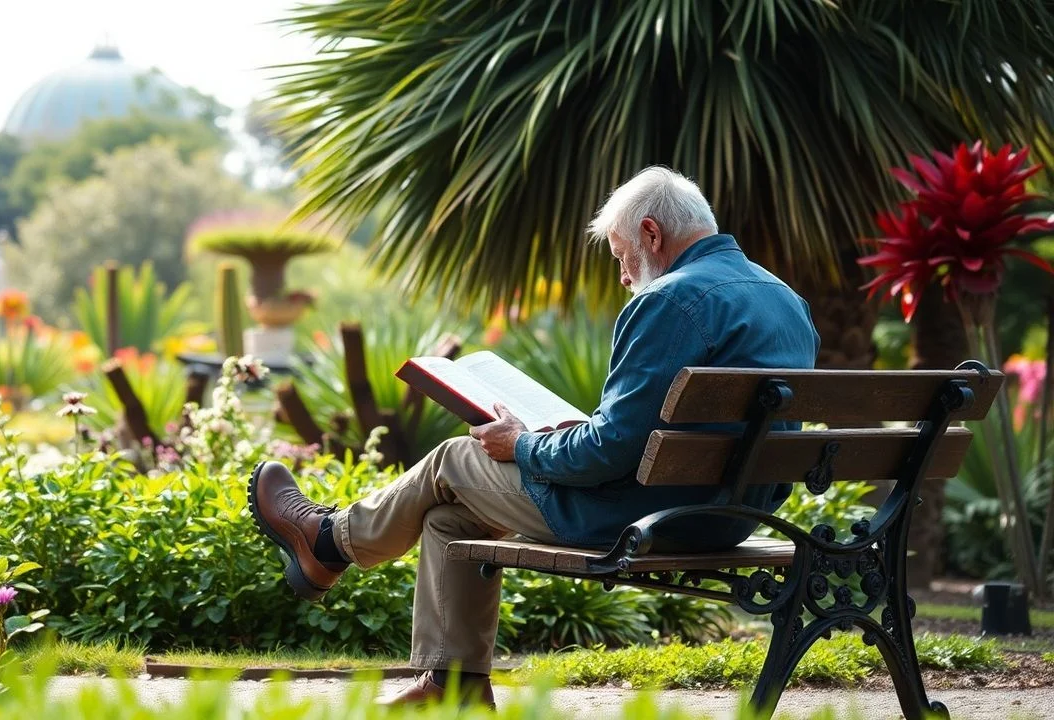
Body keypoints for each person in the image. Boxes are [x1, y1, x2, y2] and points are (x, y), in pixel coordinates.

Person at [247, 165, 821, 708]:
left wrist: (520, 444)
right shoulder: (784, 299)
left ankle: (329, 541)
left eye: (621, 256)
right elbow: (643, 434)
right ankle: (452, 684)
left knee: (455, 458)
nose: (623, 276)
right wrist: (574, 434)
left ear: (651, 234)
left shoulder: (667, 300)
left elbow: (608, 452)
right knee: (450, 520)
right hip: (733, 515)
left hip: (646, 517)